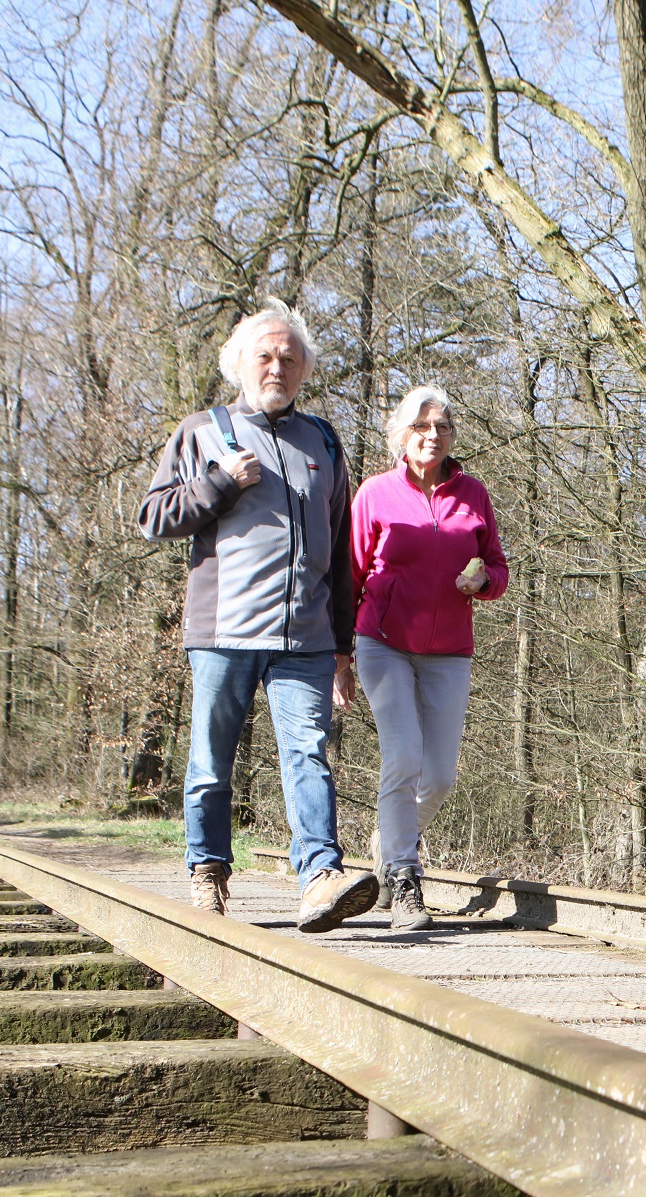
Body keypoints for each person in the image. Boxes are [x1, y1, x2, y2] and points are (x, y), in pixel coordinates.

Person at [136, 299, 380, 933]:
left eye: (290, 358)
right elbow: (152, 517)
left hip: (307, 634)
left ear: (304, 371)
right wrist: (218, 483)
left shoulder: (322, 439)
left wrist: (344, 646)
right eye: (265, 356)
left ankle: (320, 877)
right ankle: (209, 870)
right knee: (212, 760)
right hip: (223, 630)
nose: (278, 366)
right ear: (240, 365)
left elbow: (339, 547)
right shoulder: (201, 432)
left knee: (310, 753)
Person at [347, 385, 507, 932]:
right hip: (383, 642)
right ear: (401, 435)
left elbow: (497, 568)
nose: (432, 436)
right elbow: (350, 574)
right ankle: (403, 877)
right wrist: (338, 658)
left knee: (438, 776)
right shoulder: (375, 493)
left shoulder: (473, 494)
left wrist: (484, 580)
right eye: (421, 427)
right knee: (405, 756)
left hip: (449, 651)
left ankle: (389, 840)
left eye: (442, 426)